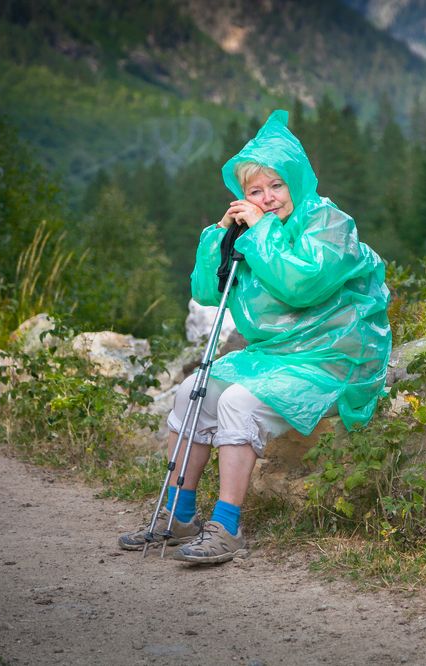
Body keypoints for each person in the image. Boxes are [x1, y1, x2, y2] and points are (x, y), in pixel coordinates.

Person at [118, 110, 392, 563]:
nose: (266, 199)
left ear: (297, 181)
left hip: (330, 358)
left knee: (236, 402)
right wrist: (219, 239)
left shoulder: (330, 224)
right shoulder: (250, 233)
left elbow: (300, 285)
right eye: (254, 191)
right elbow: (207, 292)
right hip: (274, 355)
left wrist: (261, 232)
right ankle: (177, 517)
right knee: (191, 393)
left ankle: (227, 526)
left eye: (276, 186)